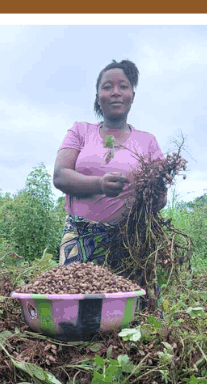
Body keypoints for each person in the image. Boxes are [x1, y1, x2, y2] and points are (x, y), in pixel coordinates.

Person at [52, 59, 163, 266]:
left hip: (130, 242)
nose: (115, 92)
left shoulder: (148, 141)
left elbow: (159, 198)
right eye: (107, 87)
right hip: (80, 238)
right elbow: (60, 175)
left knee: (131, 298)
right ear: (98, 97)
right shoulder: (80, 131)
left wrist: (156, 195)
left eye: (123, 86)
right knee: (77, 295)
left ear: (133, 96)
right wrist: (100, 184)